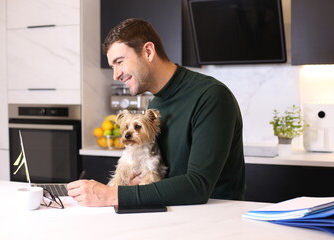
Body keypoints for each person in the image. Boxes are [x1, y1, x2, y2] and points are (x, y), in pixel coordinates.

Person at [67, 18, 245, 207]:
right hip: (172, 215)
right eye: (113, 66)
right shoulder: (155, 104)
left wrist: (112, 194)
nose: (116, 75)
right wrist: (136, 183)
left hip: (216, 221)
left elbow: (198, 186)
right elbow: (162, 174)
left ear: (148, 52)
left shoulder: (211, 96)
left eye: (119, 62)